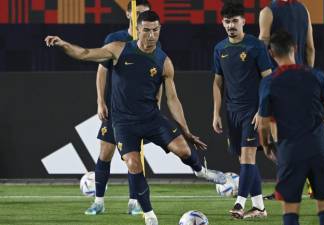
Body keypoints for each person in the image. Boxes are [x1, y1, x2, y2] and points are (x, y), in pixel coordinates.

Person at [45, 11, 226, 225]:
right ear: (137, 29)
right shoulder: (118, 49)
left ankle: (201, 172)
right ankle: (149, 216)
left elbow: (173, 99)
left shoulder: (164, 61)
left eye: (156, 30)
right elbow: (85, 53)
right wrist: (63, 43)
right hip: (123, 123)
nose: (151, 35)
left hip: (151, 118)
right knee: (133, 164)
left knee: (184, 150)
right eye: (147, 30)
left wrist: (185, 130)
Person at [258, 30, 324, 225]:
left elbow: (263, 124)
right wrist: (321, 129)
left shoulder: (269, 83)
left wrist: (267, 147)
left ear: (271, 53)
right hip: (319, 149)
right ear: (294, 48)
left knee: (290, 207)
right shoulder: (317, 76)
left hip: (291, 151)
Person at [91, 0, 153, 216]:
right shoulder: (114, 40)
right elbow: (101, 72)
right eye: (137, 13)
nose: (141, 17)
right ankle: (98, 202)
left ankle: (134, 202)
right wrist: (100, 101)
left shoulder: (152, 42)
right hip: (115, 110)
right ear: (129, 15)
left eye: (145, 14)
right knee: (105, 153)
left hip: (138, 113)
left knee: (134, 157)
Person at [212, 2, 272, 220]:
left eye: (235, 21)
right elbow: (217, 83)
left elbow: (269, 80)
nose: (230, 25)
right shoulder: (220, 49)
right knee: (245, 161)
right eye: (227, 21)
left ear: (244, 21)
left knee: (248, 157)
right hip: (232, 112)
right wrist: (216, 113)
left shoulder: (255, 47)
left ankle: (239, 203)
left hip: (252, 111)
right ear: (222, 23)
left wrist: (262, 110)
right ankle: (259, 208)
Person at [258, 0, 315, 67]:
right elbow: (310, 49)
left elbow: (261, 49)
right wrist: (309, 73)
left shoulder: (267, 12)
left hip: (277, 74)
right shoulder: (304, 9)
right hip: (300, 73)